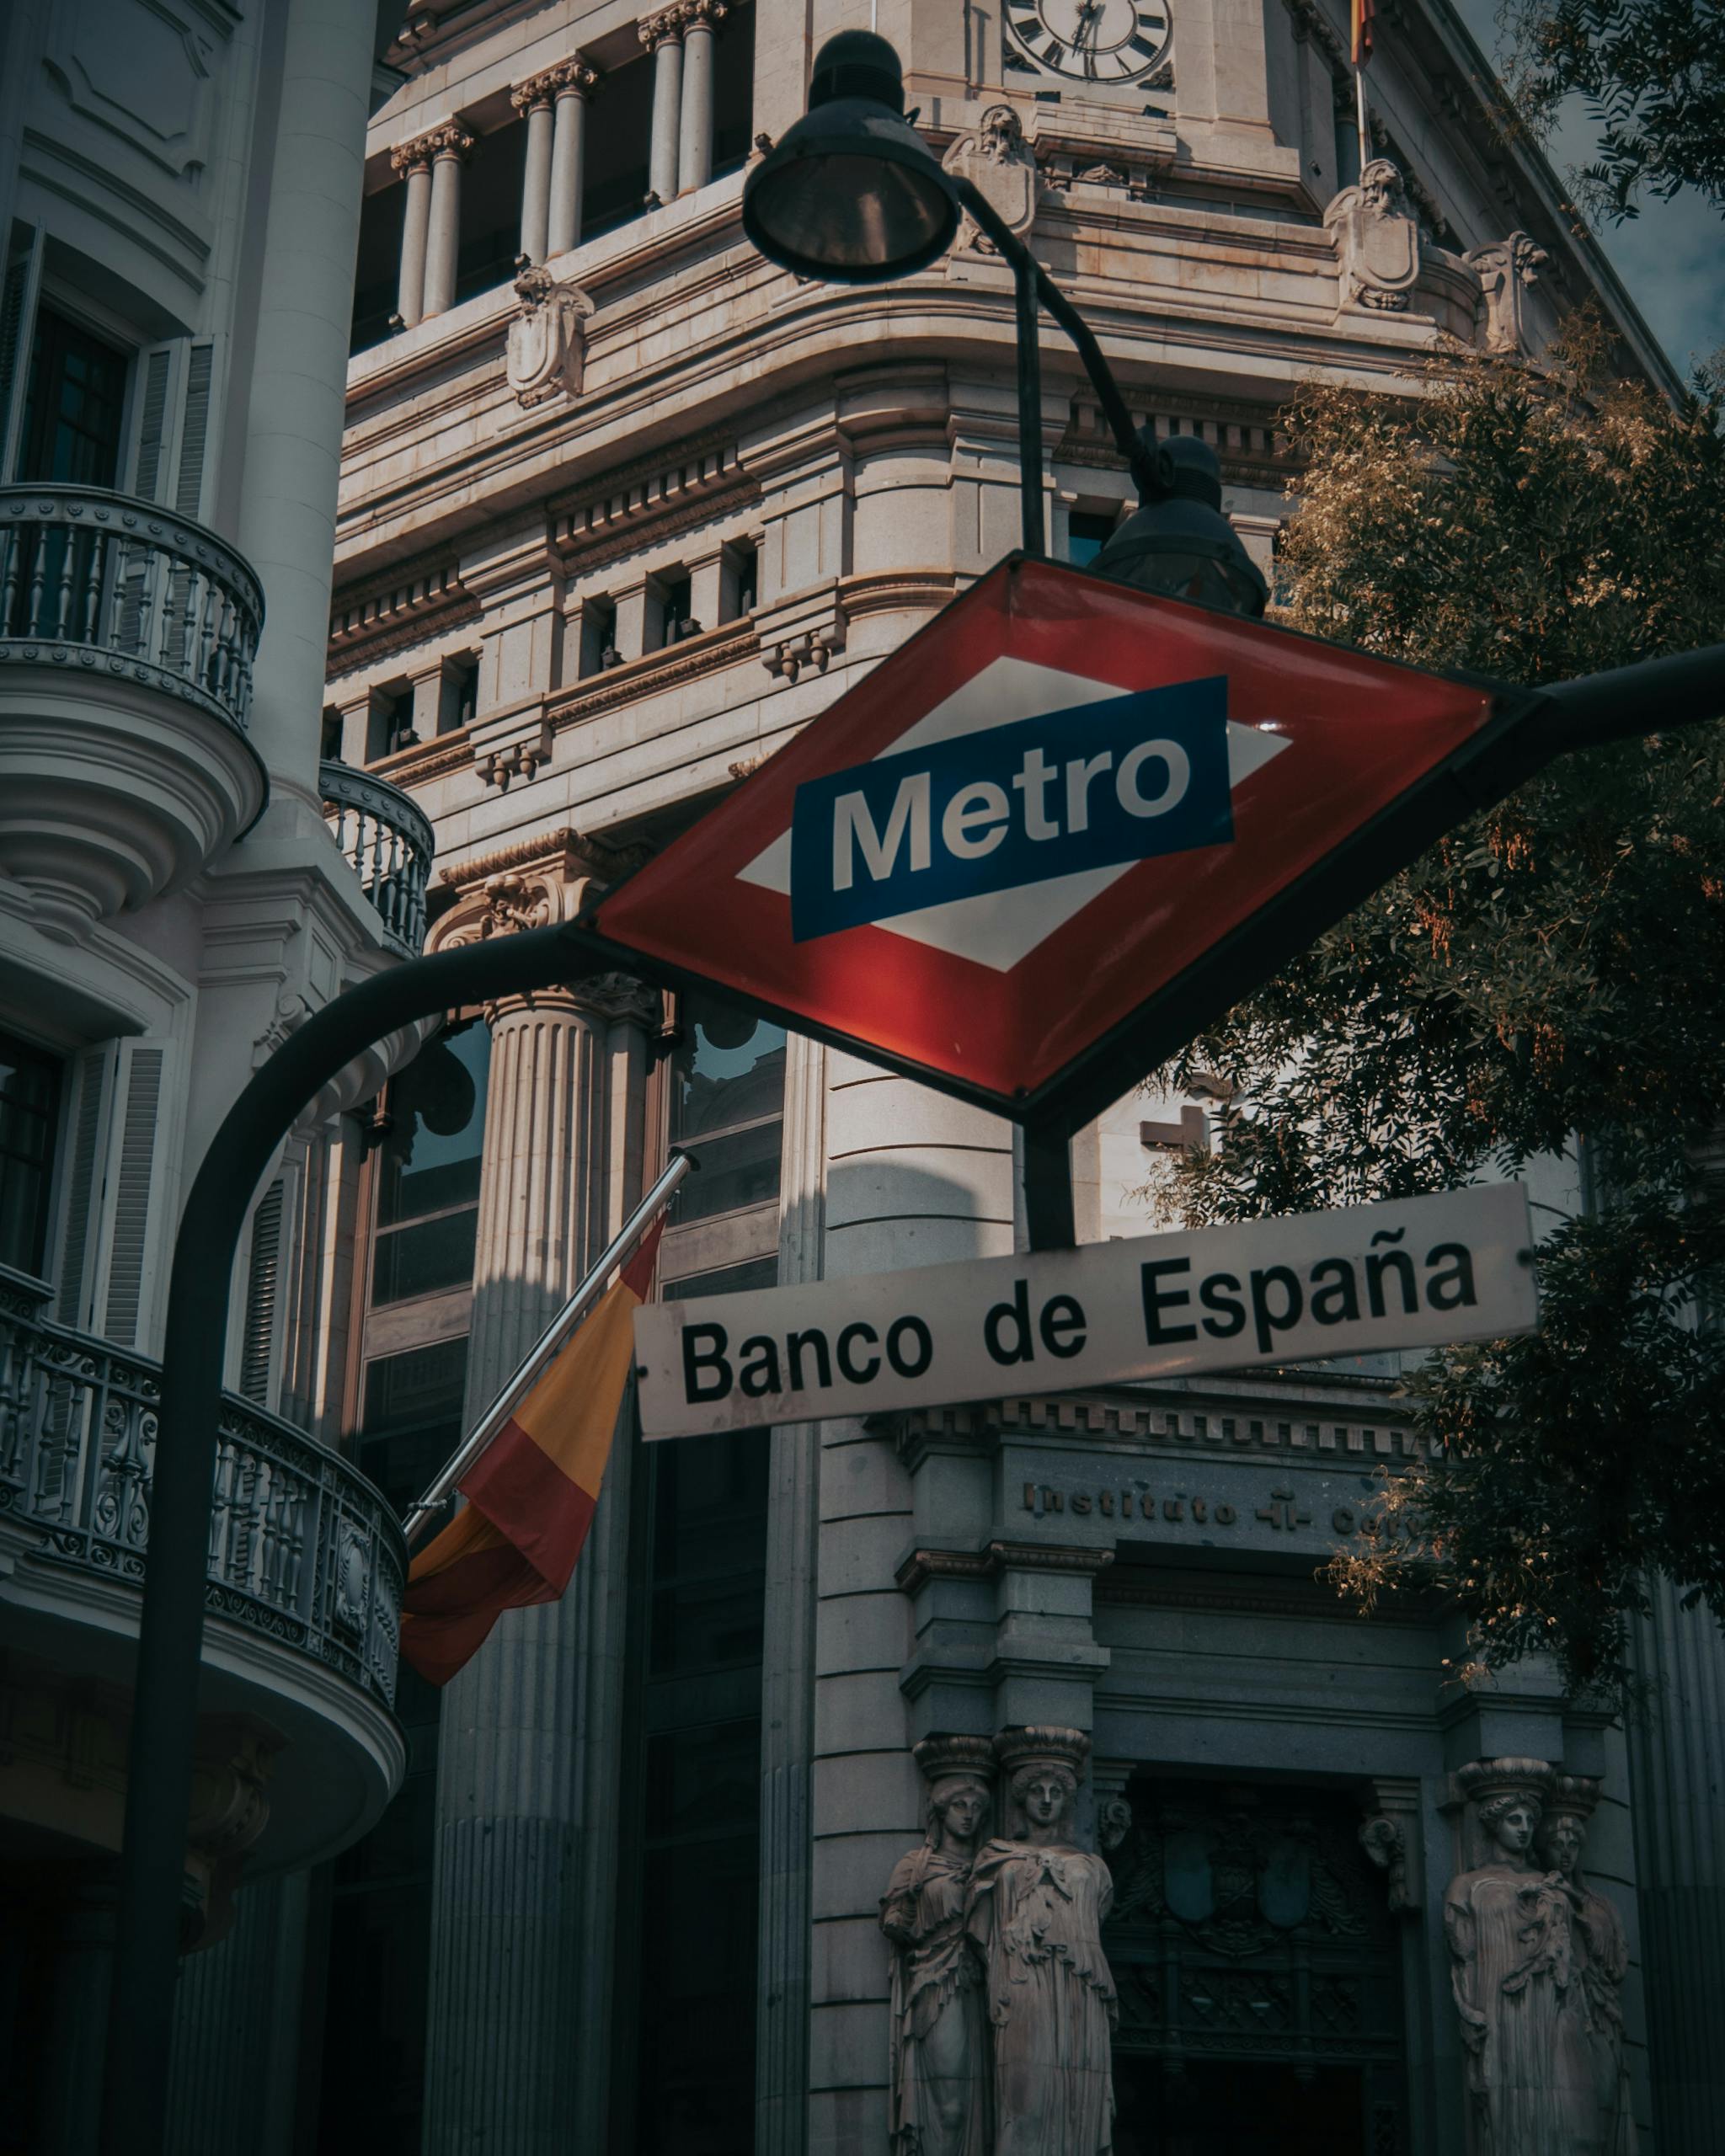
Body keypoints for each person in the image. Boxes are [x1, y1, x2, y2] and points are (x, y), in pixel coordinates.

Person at [966, 1733, 1117, 2156]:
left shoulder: (1093, 1868)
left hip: (1077, 1989)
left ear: (1069, 1800)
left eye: (1056, 1792)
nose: (1046, 1800)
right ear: (1021, 1798)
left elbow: (1097, 1916)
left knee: (1075, 2088)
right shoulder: (996, 1859)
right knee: (1024, 2092)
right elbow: (980, 1932)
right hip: (1021, 1982)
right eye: (1036, 1791)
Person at [880, 1746, 993, 2156]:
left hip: (983, 1985)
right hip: (935, 1984)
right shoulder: (918, 1866)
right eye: (959, 1806)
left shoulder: (991, 1865)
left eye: (976, 1807)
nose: (968, 1814)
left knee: (982, 2100)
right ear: (940, 1812)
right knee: (950, 2102)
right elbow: (894, 1922)